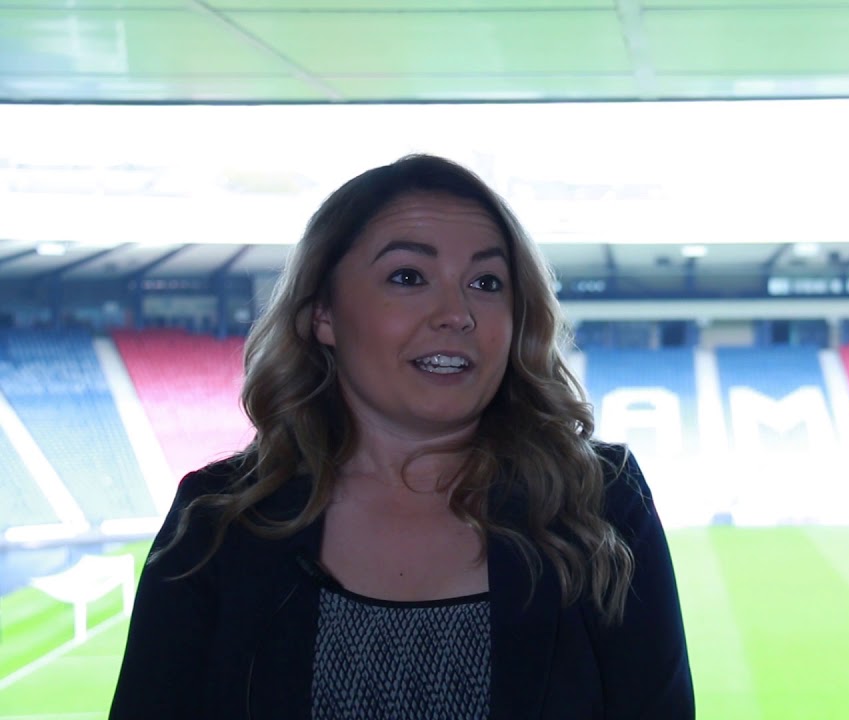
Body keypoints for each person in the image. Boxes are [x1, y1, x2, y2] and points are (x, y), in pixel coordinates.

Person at [109, 154, 694, 719]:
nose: (457, 313)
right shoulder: (216, 523)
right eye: (408, 277)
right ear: (323, 314)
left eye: (487, 282)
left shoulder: (600, 501)